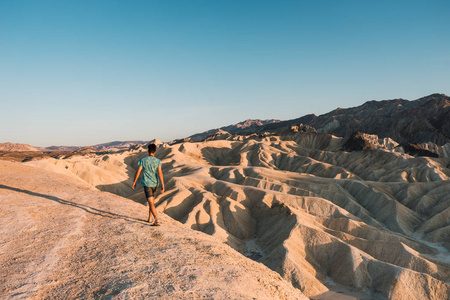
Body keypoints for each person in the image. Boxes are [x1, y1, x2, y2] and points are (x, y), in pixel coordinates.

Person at [132, 143, 165, 226]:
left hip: (147, 183)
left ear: (148, 151)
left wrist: (134, 182)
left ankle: (156, 219)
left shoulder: (143, 160)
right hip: (155, 184)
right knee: (152, 202)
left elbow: (138, 171)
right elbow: (160, 173)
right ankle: (150, 218)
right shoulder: (158, 161)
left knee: (150, 203)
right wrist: (162, 184)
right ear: (155, 152)